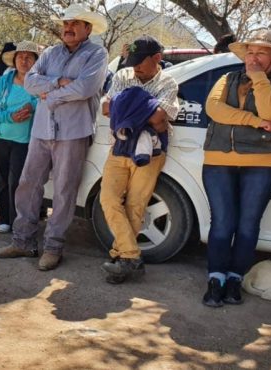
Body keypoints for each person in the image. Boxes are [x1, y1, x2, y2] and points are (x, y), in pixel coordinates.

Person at [0, 4, 109, 271]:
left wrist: (50, 95)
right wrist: (58, 83)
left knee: (64, 191)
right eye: (65, 24)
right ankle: (23, 241)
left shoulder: (97, 54)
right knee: (28, 184)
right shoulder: (50, 53)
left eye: (75, 24)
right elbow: (31, 82)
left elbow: (86, 88)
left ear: (87, 28)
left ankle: (54, 247)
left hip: (73, 132)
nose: (67, 28)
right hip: (42, 129)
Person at [201, 30, 271, 307]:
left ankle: (235, 279)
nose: (253, 58)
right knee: (222, 223)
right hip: (220, 160)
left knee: (246, 225)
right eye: (250, 53)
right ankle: (215, 278)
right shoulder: (227, 79)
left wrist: (258, 78)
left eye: (262, 53)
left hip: (265, 163)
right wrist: (254, 121)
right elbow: (214, 109)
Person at [98, 36, 179, 284]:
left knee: (135, 204)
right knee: (108, 199)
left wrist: (127, 105)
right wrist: (145, 105)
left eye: (140, 61)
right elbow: (106, 108)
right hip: (120, 147)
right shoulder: (123, 75)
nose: (135, 67)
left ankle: (122, 258)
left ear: (157, 58)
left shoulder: (169, 82)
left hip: (151, 151)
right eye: (131, 61)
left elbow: (161, 118)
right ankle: (131, 256)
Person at [0, 41, 39, 234]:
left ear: (35, 61)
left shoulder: (39, 85)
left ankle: (18, 219)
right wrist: (10, 116)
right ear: (14, 60)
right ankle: (4, 219)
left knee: (17, 181)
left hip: (24, 142)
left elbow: (45, 103)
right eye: (20, 57)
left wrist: (33, 106)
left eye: (29, 57)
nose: (24, 61)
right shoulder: (2, 82)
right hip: (0, 137)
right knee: (2, 179)